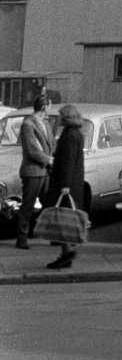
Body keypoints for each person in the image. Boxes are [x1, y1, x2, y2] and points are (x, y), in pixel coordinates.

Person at [45, 104, 88, 270]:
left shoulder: (69, 135)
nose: (59, 118)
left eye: (61, 115)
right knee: (65, 221)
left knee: (61, 221)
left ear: (67, 117)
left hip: (65, 184)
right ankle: (66, 253)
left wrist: (64, 185)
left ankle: (67, 252)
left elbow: (68, 161)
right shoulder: (76, 133)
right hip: (73, 182)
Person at [15, 91, 54, 249]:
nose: (51, 109)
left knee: (49, 205)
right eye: (50, 106)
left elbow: (52, 145)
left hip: (46, 172)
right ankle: (21, 238)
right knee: (28, 206)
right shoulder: (28, 124)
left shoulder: (46, 124)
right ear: (44, 107)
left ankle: (52, 235)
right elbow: (32, 150)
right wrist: (50, 160)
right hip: (32, 171)